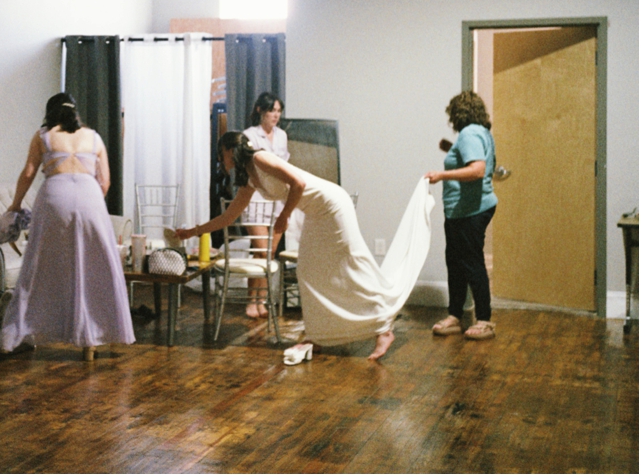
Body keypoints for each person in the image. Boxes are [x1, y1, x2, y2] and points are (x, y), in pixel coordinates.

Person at [177, 132, 433, 362]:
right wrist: (192, 231)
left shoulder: (260, 159)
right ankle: (318, 334)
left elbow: (297, 182)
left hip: (332, 205)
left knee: (352, 263)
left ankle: (383, 330)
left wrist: (285, 215)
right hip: (316, 212)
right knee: (308, 271)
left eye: (221, 154)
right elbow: (228, 217)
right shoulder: (249, 179)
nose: (221, 160)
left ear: (230, 150)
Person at [0, 93, 135, 361]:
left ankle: (14, 336)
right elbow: (105, 182)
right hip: (90, 198)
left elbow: (28, 173)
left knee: (36, 267)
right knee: (96, 266)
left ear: (49, 113)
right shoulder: (93, 137)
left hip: (54, 198)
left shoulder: (43, 135)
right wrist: (88, 202)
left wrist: (15, 205)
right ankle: (91, 340)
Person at [424, 91, 498, 341]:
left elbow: (477, 170)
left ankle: (485, 320)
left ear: (458, 114)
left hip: (470, 210)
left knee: (471, 262)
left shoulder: (469, 134)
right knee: (455, 263)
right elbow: (472, 161)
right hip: (463, 210)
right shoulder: (481, 133)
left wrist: (440, 175)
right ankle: (455, 316)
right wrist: (450, 148)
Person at [240, 92, 289, 319]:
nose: (275, 116)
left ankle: (261, 299)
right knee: (260, 250)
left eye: (278, 111)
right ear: (261, 110)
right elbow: (249, 168)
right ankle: (252, 300)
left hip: (277, 199)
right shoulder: (249, 135)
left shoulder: (282, 136)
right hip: (257, 198)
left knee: (269, 253)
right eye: (272, 111)